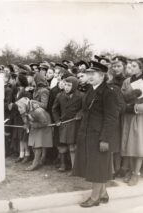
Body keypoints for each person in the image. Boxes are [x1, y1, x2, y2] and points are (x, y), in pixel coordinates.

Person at [73, 61, 120, 207]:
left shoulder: (108, 92)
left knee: (98, 167)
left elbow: (111, 118)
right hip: (88, 134)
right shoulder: (91, 89)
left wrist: (104, 139)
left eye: (93, 74)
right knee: (96, 165)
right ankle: (103, 193)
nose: (89, 76)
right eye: (88, 74)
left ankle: (94, 198)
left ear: (102, 76)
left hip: (100, 136)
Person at [52, 76, 83, 172]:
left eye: (69, 85)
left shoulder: (81, 96)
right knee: (62, 145)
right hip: (63, 124)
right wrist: (57, 120)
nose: (66, 87)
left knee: (73, 145)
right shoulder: (59, 96)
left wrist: (79, 113)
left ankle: (74, 167)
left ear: (75, 86)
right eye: (65, 84)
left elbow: (85, 108)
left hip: (75, 124)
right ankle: (63, 164)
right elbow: (54, 109)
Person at [121, 59, 143, 186]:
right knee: (127, 143)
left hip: (139, 116)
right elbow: (121, 96)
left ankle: (136, 173)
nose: (132, 68)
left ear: (141, 68)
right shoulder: (127, 81)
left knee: (138, 144)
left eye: (134, 66)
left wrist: (136, 108)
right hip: (127, 115)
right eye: (130, 66)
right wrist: (125, 106)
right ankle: (129, 170)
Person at [27, 100, 53, 171]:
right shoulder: (32, 110)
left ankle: (35, 163)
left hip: (43, 129)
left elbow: (44, 123)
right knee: (35, 145)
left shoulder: (39, 111)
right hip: (38, 128)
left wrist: (34, 125)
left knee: (38, 146)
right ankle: (39, 161)